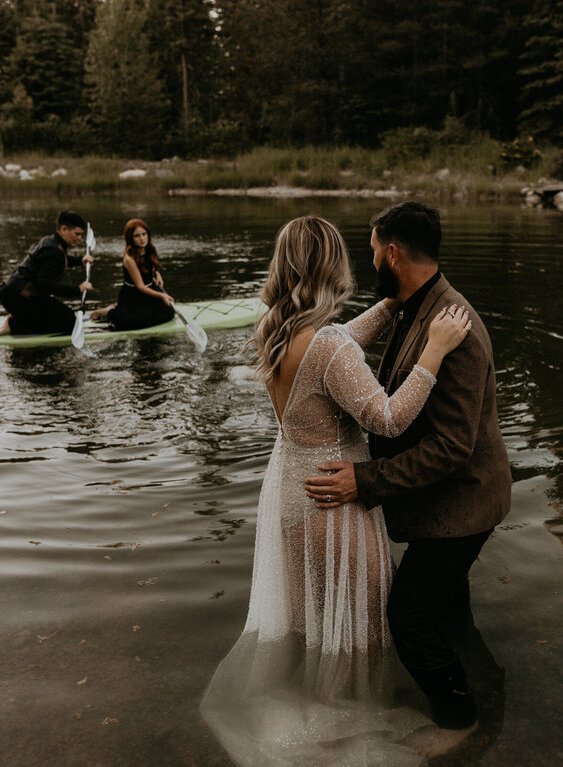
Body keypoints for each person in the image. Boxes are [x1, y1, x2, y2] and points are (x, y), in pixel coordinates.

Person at [200, 215, 472, 766]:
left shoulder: (276, 329)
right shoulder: (326, 347)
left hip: (294, 501)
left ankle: (312, 703)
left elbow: (344, 339)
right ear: (332, 266)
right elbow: (390, 419)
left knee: (314, 624)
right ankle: (352, 726)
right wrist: (434, 350)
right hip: (336, 503)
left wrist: (395, 305)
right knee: (362, 626)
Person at [303, 201, 512, 756]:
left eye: (372, 249)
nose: (370, 257)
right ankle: (482, 680)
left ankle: (460, 719)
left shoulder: (453, 327)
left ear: (391, 253)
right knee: (445, 608)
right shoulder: (413, 303)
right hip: (439, 497)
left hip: (462, 501)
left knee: (409, 616)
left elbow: (452, 446)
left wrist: (364, 481)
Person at [0, 210, 93, 336]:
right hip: (17, 298)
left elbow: (59, 261)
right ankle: (13, 325)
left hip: (14, 293)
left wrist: (80, 261)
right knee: (69, 323)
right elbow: (44, 284)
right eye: (77, 234)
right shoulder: (53, 251)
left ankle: (18, 318)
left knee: (65, 316)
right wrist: (77, 290)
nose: (80, 238)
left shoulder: (52, 242)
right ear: (64, 229)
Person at [89, 218, 176, 331]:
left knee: (168, 313)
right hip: (133, 296)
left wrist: (157, 274)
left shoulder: (149, 249)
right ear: (131, 238)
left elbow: (151, 266)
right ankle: (107, 312)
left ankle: (117, 309)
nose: (142, 238)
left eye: (144, 234)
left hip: (149, 291)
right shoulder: (129, 258)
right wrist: (162, 295)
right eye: (137, 236)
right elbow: (140, 286)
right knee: (132, 324)